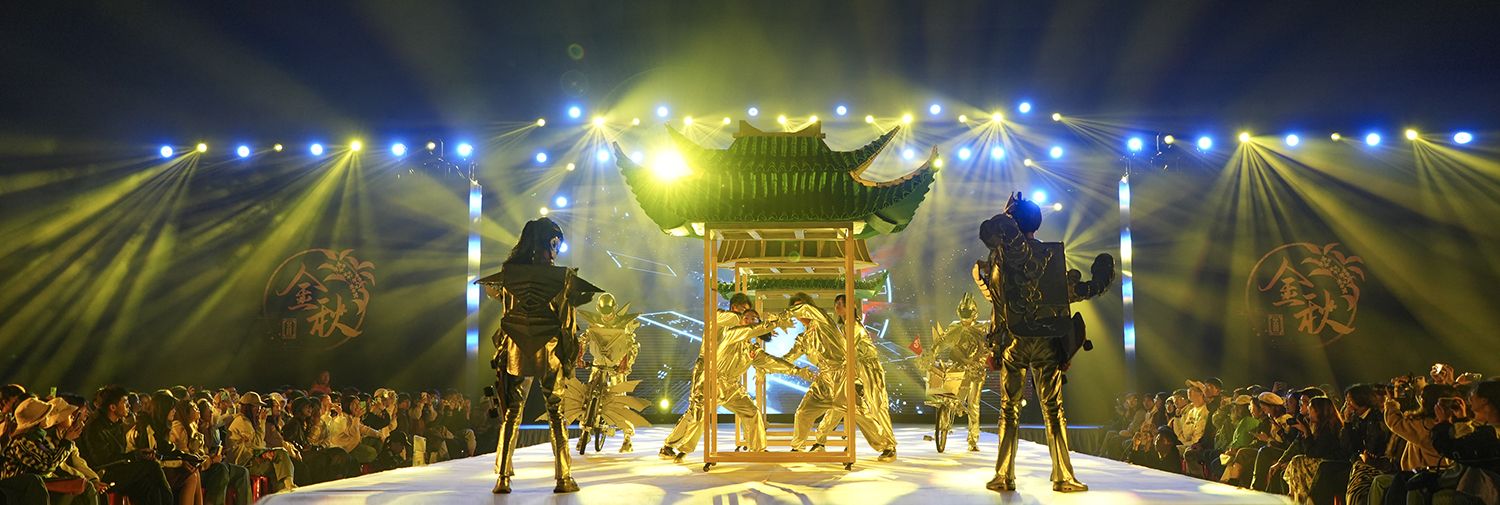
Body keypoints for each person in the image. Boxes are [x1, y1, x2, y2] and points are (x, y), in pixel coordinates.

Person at [976, 192, 1115, 493]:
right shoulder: (1049, 255)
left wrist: (995, 346)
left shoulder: (1000, 258)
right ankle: (1063, 476)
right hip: (1049, 341)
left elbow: (998, 303)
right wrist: (1101, 278)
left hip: (1013, 341)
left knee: (1008, 409)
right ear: (1037, 225)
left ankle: (1003, 474)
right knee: (1053, 409)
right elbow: (1070, 293)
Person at [478, 217, 603, 494]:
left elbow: (505, 315)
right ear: (552, 242)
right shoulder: (562, 277)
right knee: (556, 413)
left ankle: (502, 478)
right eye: (556, 244)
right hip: (550, 349)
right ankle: (563, 477)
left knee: (511, 413)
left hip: (515, 348)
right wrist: (569, 357)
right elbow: (566, 323)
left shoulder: (509, 273)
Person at [785, 293, 898, 461]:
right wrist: (767, 365)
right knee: (812, 411)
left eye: (802, 307)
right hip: (827, 377)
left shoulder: (828, 323)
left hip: (859, 369)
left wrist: (853, 377)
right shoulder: (808, 335)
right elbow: (789, 356)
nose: (800, 312)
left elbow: (845, 351)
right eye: (796, 309)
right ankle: (814, 443)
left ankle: (888, 444)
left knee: (873, 406)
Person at [658, 293, 751, 461]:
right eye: (744, 310)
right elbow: (737, 320)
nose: (746, 315)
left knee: (696, 410)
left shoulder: (735, 327)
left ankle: (671, 446)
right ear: (734, 307)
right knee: (697, 409)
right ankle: (678, 447)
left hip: (720, 374)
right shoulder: (721, 316)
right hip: (706, 369)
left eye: (747, 311)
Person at [919, 293, 991, 452]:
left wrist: (978, 363)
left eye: (968, 315)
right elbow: (942, 341)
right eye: (963, 315)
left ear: (974, 314)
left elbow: (987, 348)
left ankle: (973, 439)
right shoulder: (955, 327)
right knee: (945, 393)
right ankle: (944, 423)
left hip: (975, 369)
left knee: (973, 404)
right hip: (958, 366)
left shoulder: (982, 328)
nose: (965, 319)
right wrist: (931, 354)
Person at [77, 386, 173, 505]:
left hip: (118, 469)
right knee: (151, 466)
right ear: (112, 407)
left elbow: (120, 455)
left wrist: (138, 454)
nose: (129, 405)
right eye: (125, 402)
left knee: (147, 485)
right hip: (103, 474)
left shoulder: (117, 423)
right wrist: (134, 455)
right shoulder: (95, 427)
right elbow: (102, 460)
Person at [576, 293, 644, 453]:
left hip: (616, 366)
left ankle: (627, 437)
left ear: (614, 308)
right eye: (603, 311)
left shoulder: (622, 324)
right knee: (587, 396)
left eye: (609, 310)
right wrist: (579, 356)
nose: (606, 315)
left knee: (619, 400)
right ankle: (584, 432)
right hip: (599, 364)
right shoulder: (595, 322)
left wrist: (625, 364)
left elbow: (631, 345)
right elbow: (585, 338)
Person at [1424, 379, 1500, 504]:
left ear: (1484, 400)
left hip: (1481, 496)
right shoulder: (1489, 430)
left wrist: (1443, 423)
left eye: (1473, 393)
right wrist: (1461, 418)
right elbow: (1467, 443)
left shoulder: (1490, 434)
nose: (1469, 397)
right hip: (1480, 492)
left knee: (1416, 487)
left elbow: (1453, 449)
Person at [1278, 396, 1350, 503]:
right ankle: (1294, 496)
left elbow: (1313, 452)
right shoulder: (1317, 426)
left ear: (1320, 411)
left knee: (1297, 461)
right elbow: (1302, 448)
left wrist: (1306, 433)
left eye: (1311, 409)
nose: (1308, 411)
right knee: (1296, 462)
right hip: (1318, 462)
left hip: (1329, 464)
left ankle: (1297, 498)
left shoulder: (1328, 429)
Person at [225, 393, 295, 493]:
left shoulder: (249, 421)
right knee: (279, 457)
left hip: (250, 459)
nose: (259, 409)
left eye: (260, 406)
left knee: (279, 460)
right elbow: (258, 444)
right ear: (248, 408)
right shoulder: (242, 421)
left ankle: (285, 489)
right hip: (244, 464)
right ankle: (286, 487)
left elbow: (258, 444)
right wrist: (262, 421)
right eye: (256, 406)